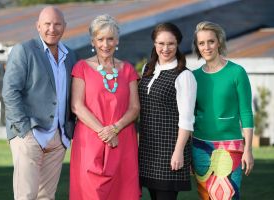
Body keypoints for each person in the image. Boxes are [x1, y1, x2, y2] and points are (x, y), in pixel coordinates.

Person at [2, 6, 77, 200]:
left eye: (57, 24)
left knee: (47, 196)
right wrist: (24, 130)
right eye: (47, 24)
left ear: (65, 27)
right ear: (38, 26)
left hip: (58, 137)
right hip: (29, 134)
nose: (52, 28)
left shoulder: (71, 55)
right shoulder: (24, 51)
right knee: (25, 195)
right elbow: (10, 92)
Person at [69, 14, 140, 200]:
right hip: (90, 140)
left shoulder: (128, 69)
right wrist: (105, 133)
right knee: (90, 193)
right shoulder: (81, 67)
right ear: (93, 40)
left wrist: (115, 129)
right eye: (100, 39)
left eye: (110, 39)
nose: (105, 44)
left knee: (123, 192)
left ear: (117, 41)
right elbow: (77, 106)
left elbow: (134, 108)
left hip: (123, 139)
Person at [192, 21, 254, 200]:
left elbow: (246, 113)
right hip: (200, 147)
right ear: (197, 46)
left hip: (231, 146)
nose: (206, 47)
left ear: (219, 41)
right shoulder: (194, 77)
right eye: (201, 43)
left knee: (228, 195)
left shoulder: (236, 72)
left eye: (210, 41)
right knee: (207, 196)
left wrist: (248, 149)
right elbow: (191, 116)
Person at [138, 23, 197, 200]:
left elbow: (187, 119)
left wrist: (178, 151)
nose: (165, 48)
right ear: (154, 44)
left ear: (177, 44)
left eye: (171, 44)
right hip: (148, 150)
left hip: (170, 150)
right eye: (161, 43)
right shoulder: (147, 69)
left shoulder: (184, 76)